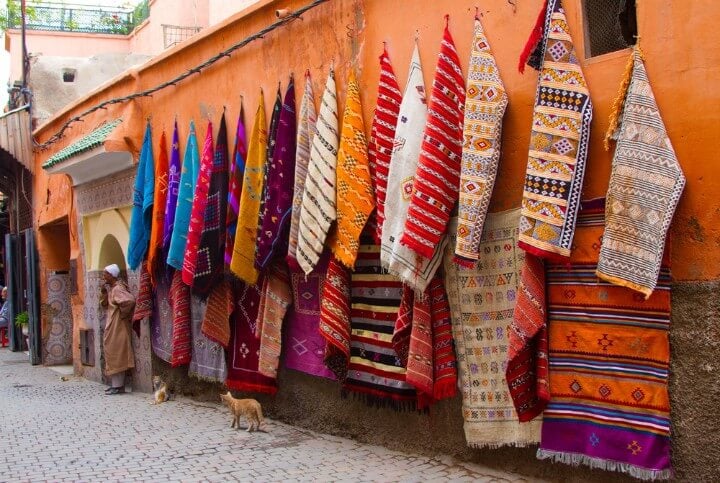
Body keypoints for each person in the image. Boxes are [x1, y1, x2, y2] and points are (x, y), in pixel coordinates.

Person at [100, 264, 136, 395]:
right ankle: (116, 385)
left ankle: (118, 386)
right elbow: (104, 305)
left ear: (111, 275)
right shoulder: (112, 289)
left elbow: (129, 301)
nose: (103, 276)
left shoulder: (117, 289)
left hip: (118, 326)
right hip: (114, 325)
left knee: (117, 353)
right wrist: (104, 292)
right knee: (113, 352)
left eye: (105, 274)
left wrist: (123, 315)